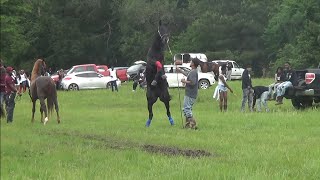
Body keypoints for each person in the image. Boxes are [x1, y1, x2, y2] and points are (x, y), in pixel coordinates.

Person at [176, 59, 199, 129]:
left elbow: (193, 82)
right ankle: (187, 125)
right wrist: (180, 70)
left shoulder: (193, 72)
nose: (190, 62)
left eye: (191, 62)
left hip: (190, 93)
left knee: (186, 109)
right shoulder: (192, 71)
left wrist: (184, 81)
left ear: (193, 64)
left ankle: (193, 124)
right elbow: (187, 74)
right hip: (190, 93)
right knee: (187, 109)